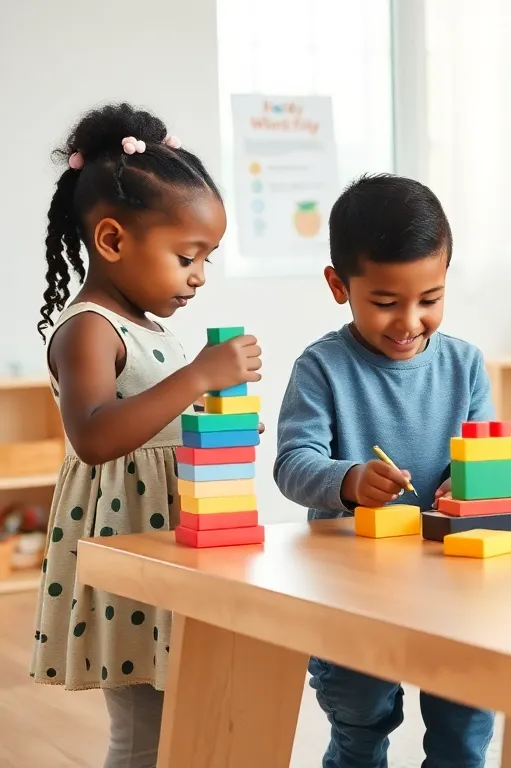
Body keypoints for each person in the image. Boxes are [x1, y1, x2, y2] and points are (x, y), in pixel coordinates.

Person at [31, 102, 261, 768]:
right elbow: (95, 436)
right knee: (141, 729)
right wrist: (199, 376)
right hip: (129, 544)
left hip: (172, 539)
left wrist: (214, 418)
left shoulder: (149, 328)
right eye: (187, 256)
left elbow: (155, 418)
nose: (199, 275)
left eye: (207, 258)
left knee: (187, 703)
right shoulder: (89, 329)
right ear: (112, 240)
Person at [273, 173, 494, 767]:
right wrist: (348, 481)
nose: (409, 322)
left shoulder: (466, 366)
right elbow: (292, 464)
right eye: (386, 303)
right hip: (351, 586)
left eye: (430, 300)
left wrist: (468, 483)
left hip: (452, 580)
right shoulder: (322, 367)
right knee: (360, 721)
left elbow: (485, 458)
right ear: (338, 286)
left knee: (465, 723)